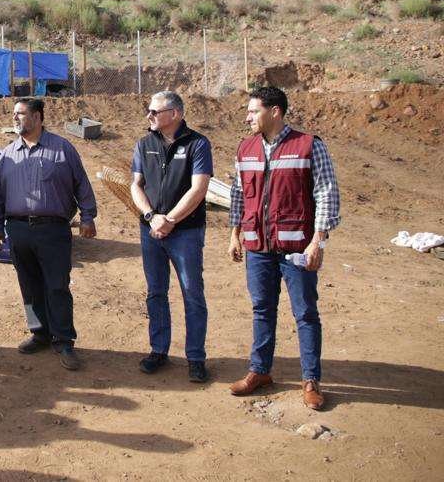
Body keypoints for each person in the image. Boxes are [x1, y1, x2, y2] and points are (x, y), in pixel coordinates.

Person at [228, 86, 340, 411]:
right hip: (258, 248)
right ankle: (260, 372)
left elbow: (327, 193)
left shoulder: (308, 146)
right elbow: (238, 194)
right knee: (262, 309)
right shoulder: (245, 149)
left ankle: (310, 381)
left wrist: (318, 240)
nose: (248, 117)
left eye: (253, 111)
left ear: (274, 111)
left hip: (298, 249)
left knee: (305, 313)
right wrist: (234, 234)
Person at [0, 98, 97, 371]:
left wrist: (87, 217)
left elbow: (81, 185)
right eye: (14, 114)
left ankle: (63, 340)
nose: (15, 119)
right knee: (29, 284)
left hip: (53, 229)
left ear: (37, 117)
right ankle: (39, 332)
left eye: (21, 114)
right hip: (18, 229)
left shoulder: (62, 149)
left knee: (57, 286)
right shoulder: (8, 154)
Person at [130, 91, 213, 382]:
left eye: (154, 111)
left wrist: (171, 220)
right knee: (156, 292)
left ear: (174, 114)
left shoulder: (197, 144)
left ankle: (195, 357)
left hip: (185, 233)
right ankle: (159, 350)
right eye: (148, 111)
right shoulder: (144, 144)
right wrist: (153, 217)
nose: (148, 116)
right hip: (151, 230)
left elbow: (198, 188)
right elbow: (136, 186)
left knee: (192, 293)